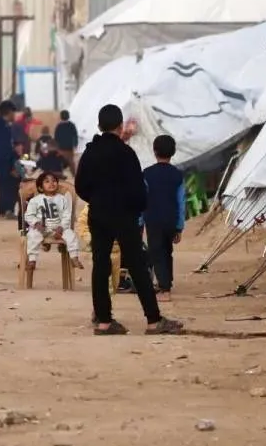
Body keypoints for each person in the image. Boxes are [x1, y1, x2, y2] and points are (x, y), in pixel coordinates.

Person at [75, 104, 183, 336]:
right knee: (137, 266)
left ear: (99, 125)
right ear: (120, 125)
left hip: (99, 214)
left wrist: (97, 199)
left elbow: (80, 187)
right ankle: (153, 321)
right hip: (124, 216)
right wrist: (137, 209)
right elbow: (138, 190)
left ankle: (104, 321)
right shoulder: (126, 154)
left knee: (101, 264)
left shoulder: (90, 152)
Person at [142, 134, 186, 300]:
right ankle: (167, 282)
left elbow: (141, 199)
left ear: (154, 151)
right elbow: (181, 202)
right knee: (167, 251)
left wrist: (139, 221)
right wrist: (179, 226)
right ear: (173, 152)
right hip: (171, 220)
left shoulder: (146, 174)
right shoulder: (178, 175)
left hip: (153, 219)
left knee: (156, 252)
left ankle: (164, 289)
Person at [24, 172, 82, 274]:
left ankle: (74, 257)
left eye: (54, 181)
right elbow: (29, 215)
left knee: (71, 235)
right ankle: (32, 259)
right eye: (47, 181)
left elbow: (67, 215)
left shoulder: (62, 199)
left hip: (59, 228)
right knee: (32, 236)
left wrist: (61, 228)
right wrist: (37, 224)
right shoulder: (35, 200)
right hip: (41, 228)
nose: (51, 183)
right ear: (41, 188)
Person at [0, 100, 19, 216]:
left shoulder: (2, 125)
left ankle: (2, 210)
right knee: (9, 185)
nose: (15, 115)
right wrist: (12, 164)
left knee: (2, 185)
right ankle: (8, 210)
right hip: (4, 162)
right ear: (8, 112)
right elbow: (4, 148)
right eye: (13, 112)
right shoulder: (2, 127)